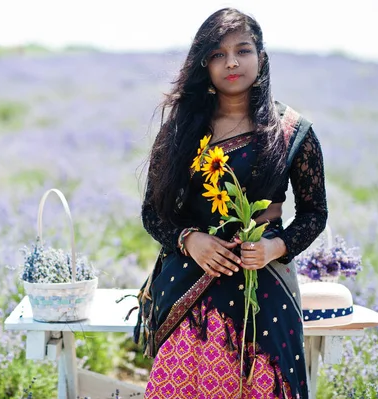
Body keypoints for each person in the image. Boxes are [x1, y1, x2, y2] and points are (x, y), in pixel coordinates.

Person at [134, 7, 328, 399]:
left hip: (265, 281)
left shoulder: (291, 132)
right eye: (218, 54)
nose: (232, 62)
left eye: (243, 50)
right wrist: (190, 240)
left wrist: (276, 247)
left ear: (261, 57)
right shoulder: (181, 132)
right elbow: (152, 213)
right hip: (190, 278)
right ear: (204, 65)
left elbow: (314, 213)